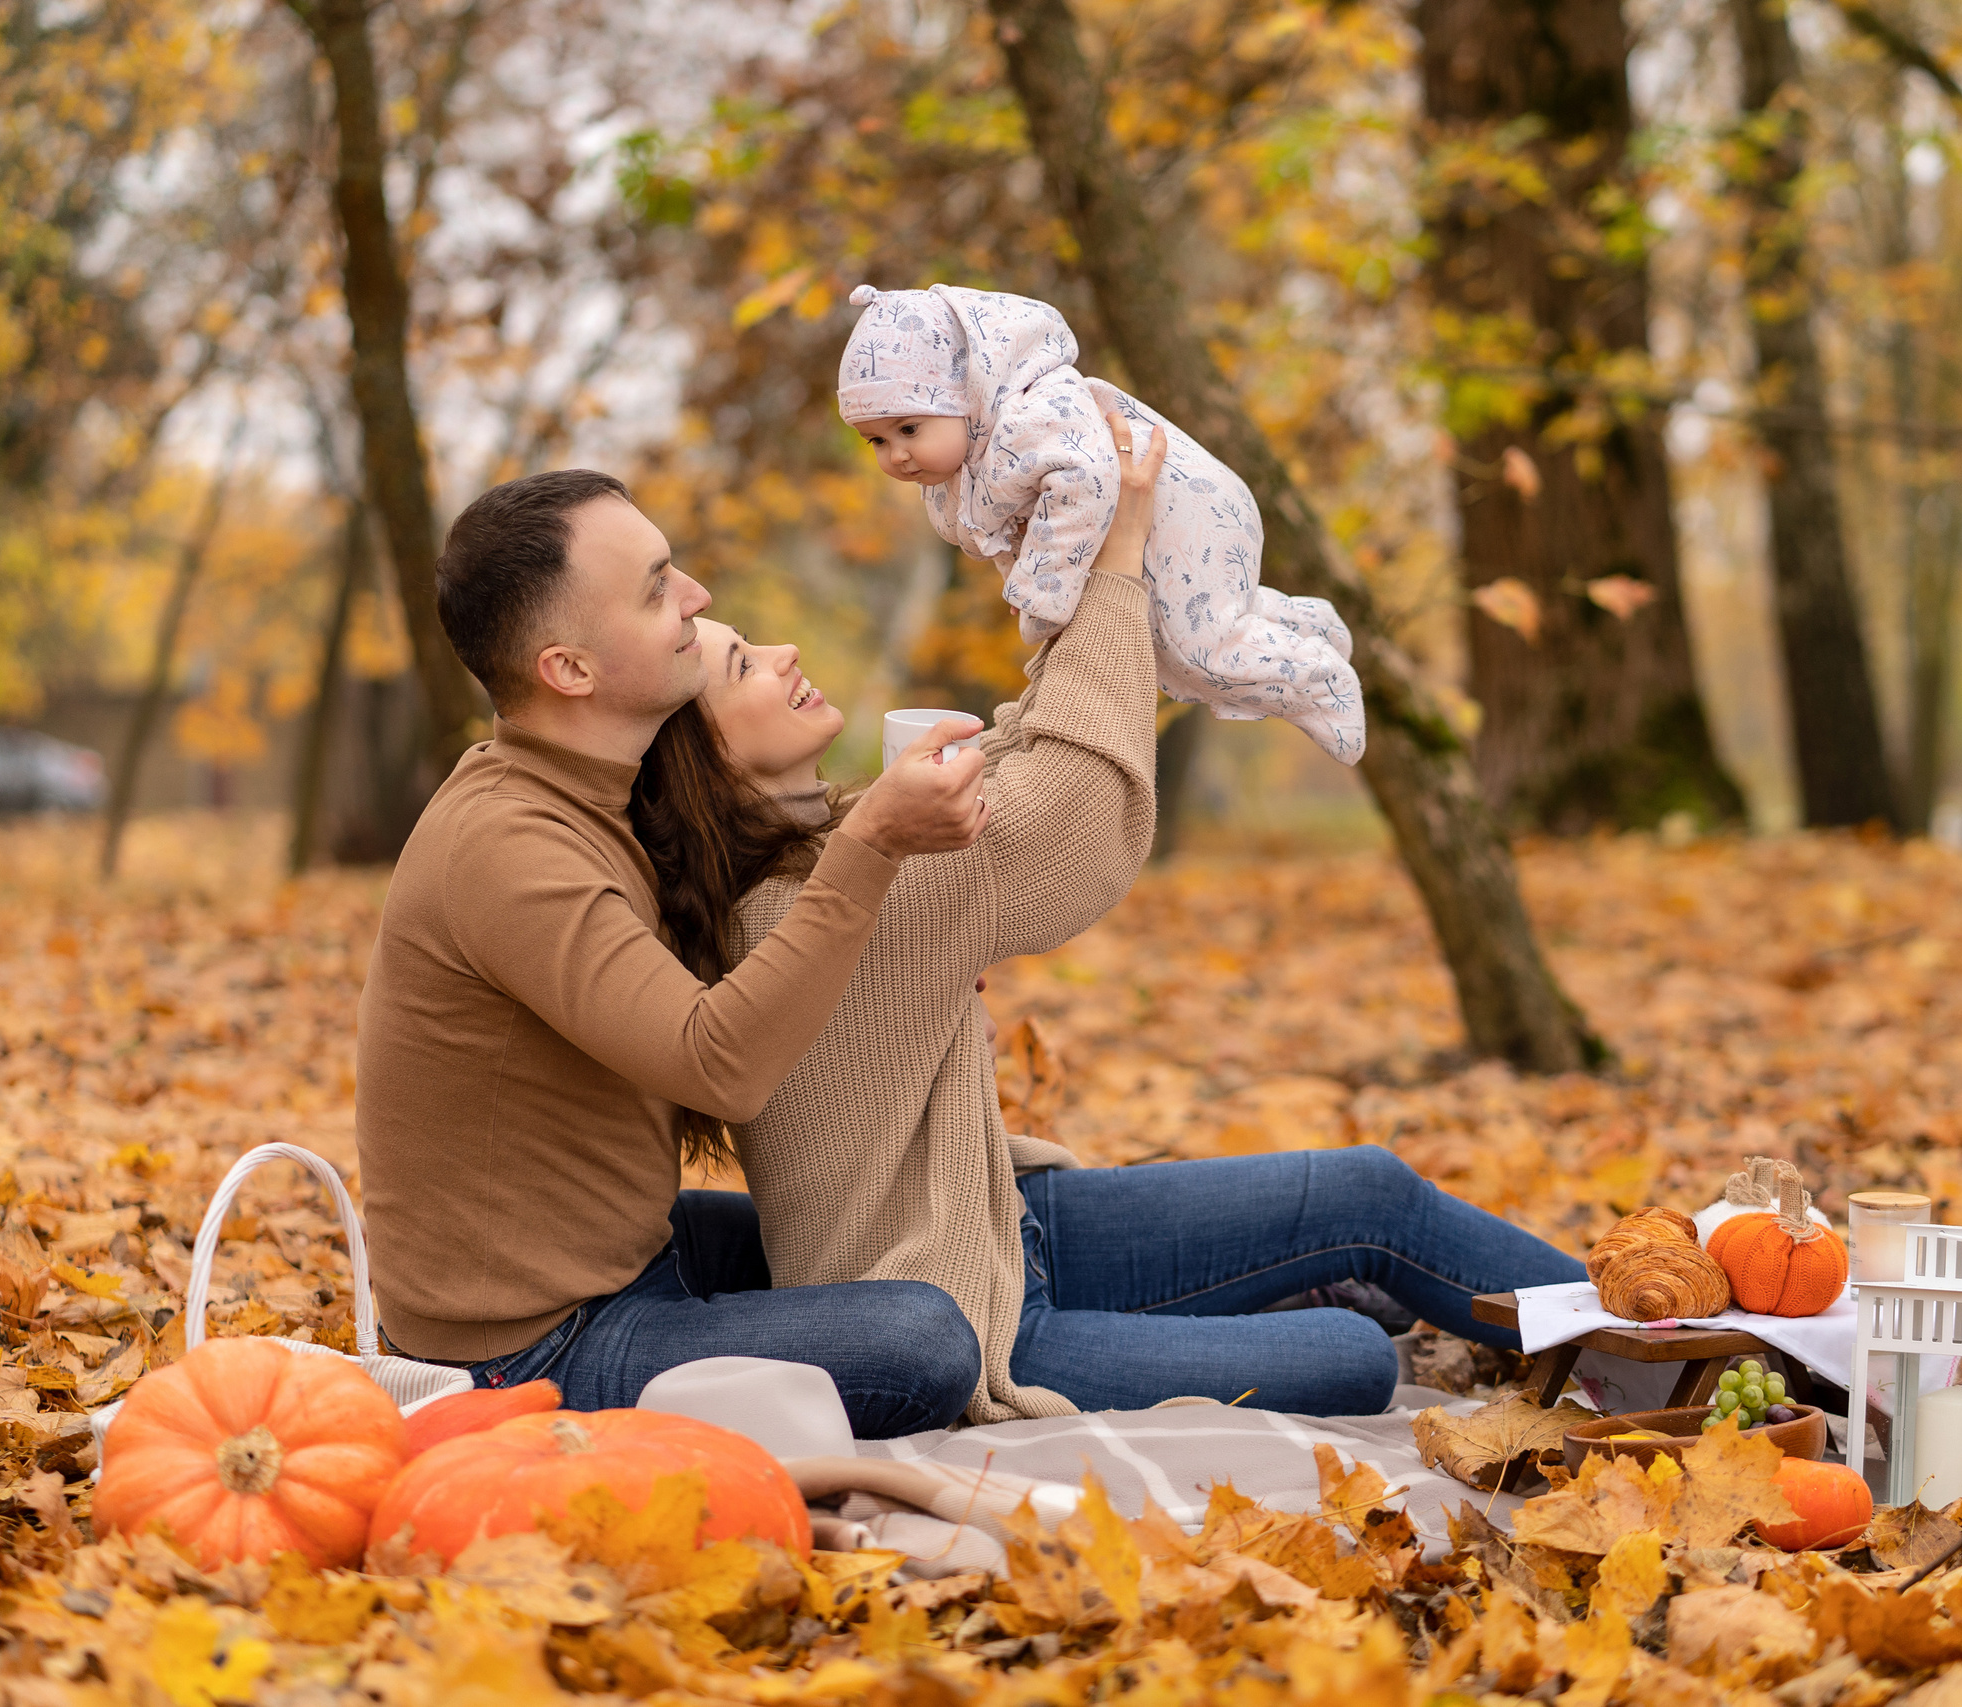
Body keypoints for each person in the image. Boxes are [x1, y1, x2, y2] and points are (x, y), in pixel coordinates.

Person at [637, 410, 1584, 1422]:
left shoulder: (823, 848)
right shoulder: (815, 898)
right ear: (705, 763)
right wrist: (1116, 554)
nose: (781, 653)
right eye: (741, 667)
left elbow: (1025, 752)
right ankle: (1335, 1301)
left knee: (1372, 1190)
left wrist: (1075, 561)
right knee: (1351, 1360)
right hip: (979, 1315)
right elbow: (1073, 806)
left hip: (1012, 1219)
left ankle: (1659, 1329)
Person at [354, 468, 1004, 1437]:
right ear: (569, 670)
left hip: (628, 1258)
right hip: (528, 1352)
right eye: (658, 587)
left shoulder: (588, 800)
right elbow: (719, 1062)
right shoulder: (508, 846)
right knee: (923, 1335)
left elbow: (710, 976)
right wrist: (873, 845)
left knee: (889, 1247)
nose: (697, 600)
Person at [839, 282, 1366, 766]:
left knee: (1196, 650)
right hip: (1160, 517)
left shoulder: (1032, 416)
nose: (897, 456)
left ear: (968, 394)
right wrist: (1035, 596)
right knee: (1170, 633)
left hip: (1184, 508)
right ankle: (1299, 624)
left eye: (908, 428)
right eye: (879, 441)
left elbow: (1084, 483)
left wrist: (1043, 596)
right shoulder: (967, 463)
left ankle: (1319, 680)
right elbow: (1009, 537)